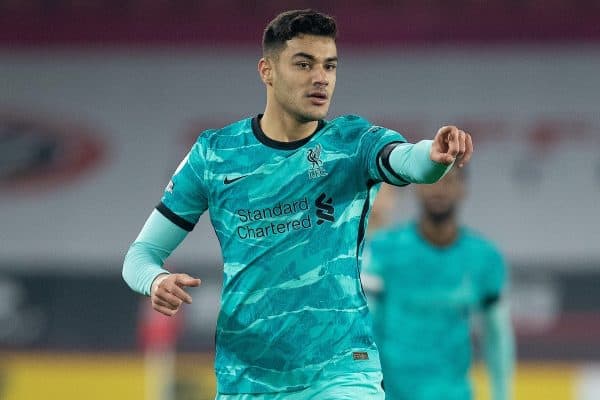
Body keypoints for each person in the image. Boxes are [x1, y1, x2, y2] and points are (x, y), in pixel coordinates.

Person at [122, 9, 473, 399]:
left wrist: (434, 155)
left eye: (329, 66)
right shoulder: (215, 154)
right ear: (267, 71)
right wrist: (155, 280)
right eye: (303, 64)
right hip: (248, 378)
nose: (320, 77)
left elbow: (407, 160)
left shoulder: (352, 143)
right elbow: (141, 254)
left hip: (342, 371)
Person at [362, 167, 515, 400]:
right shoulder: (384, 249)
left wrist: (503, 395)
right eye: (431, 180)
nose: (439, 189)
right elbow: (366, 327)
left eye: (449, 181)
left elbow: (497, 336)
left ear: (463, 189)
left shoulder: (485, 258)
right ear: (416, 186)